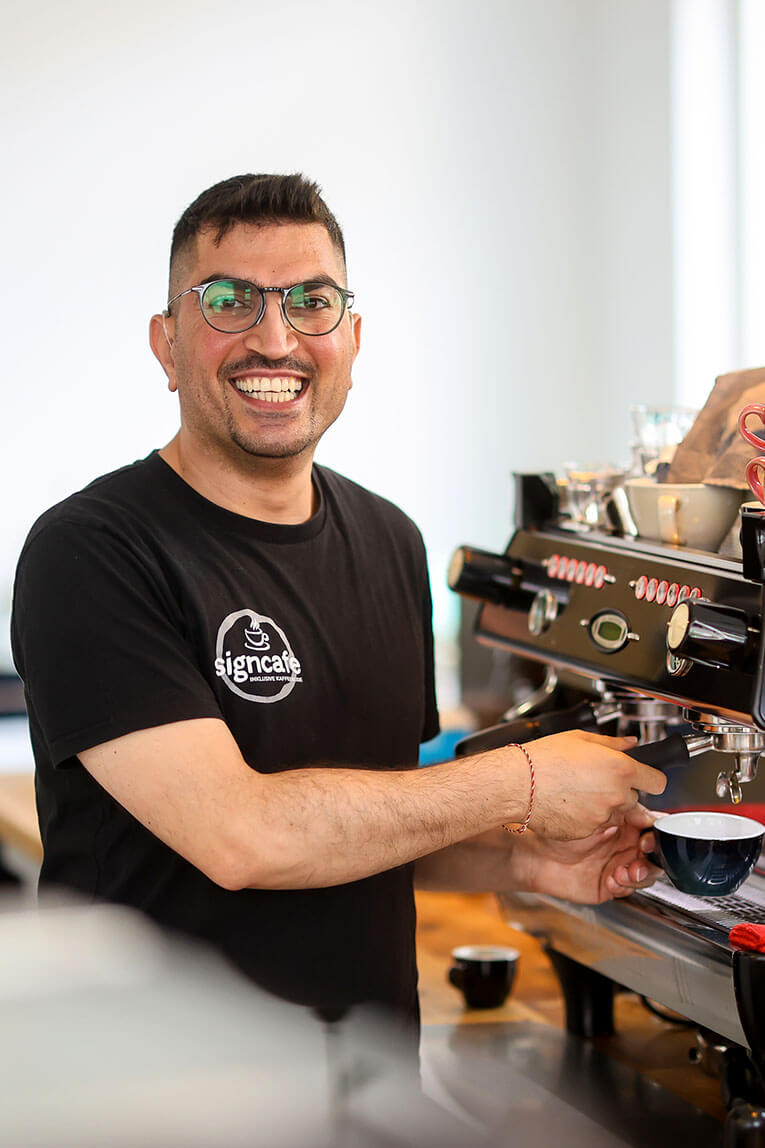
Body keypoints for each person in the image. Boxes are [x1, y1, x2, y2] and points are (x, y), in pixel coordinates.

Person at [11, 173, 665, 1045]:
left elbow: (377, 821)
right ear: (166, 346)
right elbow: (241, 836)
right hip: (159, 1097)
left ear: (350, 341)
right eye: (230, 302)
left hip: (367, 1089)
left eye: (310, 302)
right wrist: (526, 780)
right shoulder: (92, 550)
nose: (274, 339)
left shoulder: (390, 538)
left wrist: (526, 858)